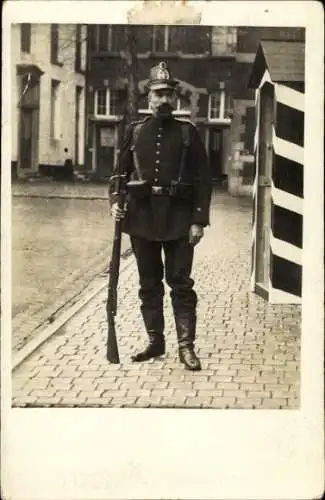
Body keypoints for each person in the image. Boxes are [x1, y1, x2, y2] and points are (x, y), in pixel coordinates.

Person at [110, 61, 212, 371]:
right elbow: (118, 174)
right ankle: (155, 342)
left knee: (180, 284)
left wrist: (198, 220)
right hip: (142, 219)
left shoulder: (187, 133)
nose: (164, 100)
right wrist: (116, 200)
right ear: (149, 98)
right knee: (148, 284)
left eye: (169, 94)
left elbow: (204, 179)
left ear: (175, 98)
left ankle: (186, 347)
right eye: (158, 94)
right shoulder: (135, 130)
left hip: (180, 221)